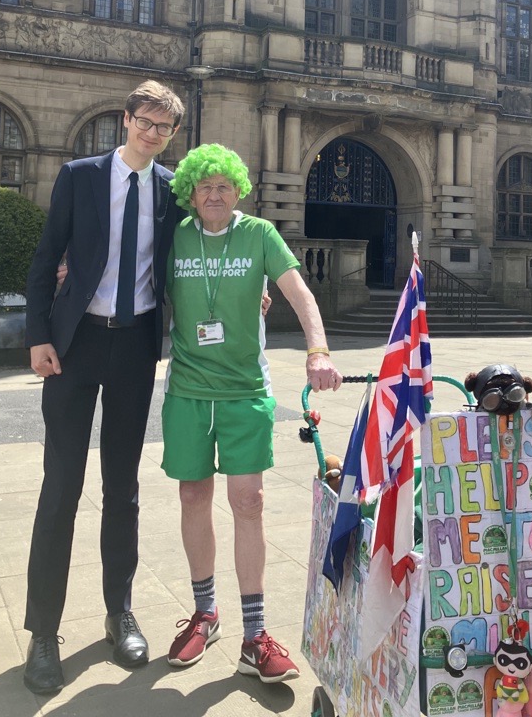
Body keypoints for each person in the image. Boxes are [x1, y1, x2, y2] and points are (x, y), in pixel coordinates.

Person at [22, 80, 185, 694]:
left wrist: (255, 289)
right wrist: (38, 333)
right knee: (61, 485)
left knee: (124, 486)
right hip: (75, 342)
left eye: (164, 128)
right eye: (145, 121)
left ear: (172, 135)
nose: (152, 133)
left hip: (135, 346)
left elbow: (203, 248)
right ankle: (44, 631)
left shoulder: (172, 190)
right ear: (126, 119)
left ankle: (119, 613)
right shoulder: (80, 175)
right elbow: (46, 258)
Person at [162, 143, 342, 683]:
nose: (214, 194)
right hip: (188, 391)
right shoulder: (174, 237)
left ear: (239, 190)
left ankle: (255, 635)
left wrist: (318, 350)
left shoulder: (260, 234)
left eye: (224, 186)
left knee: (249, 502)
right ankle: (205, 614)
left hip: (245, 392)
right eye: (205, 186)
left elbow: (301, 294)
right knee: (192, 494)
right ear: (190, 193)